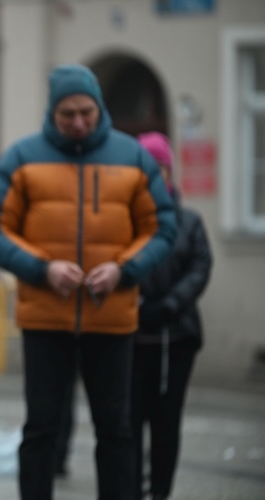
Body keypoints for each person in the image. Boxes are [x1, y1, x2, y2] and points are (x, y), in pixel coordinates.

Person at [0, 63, 178, 500]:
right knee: (42, 429)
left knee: (117, 431)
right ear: (53, 112)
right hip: (45, 319)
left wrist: (124, 269)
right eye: (68, 114)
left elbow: (162, 227)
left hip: (113, 318)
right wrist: (41, 268)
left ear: (99, 107)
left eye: (86, 111)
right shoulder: (22, 158)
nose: (79, 122)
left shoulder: (135, 158)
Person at [132, 132, 213, 500]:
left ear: (169, 171)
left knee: (166, 423)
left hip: (175, 336)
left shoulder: (189, 222)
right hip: (131, 337)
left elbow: (199, 267)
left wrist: (168, 304)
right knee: (128, 423)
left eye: (159, 168)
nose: (153, 176)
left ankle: (160, 491)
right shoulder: (124, 219)